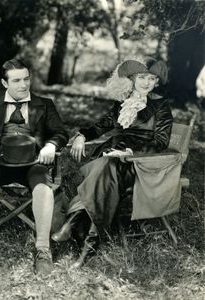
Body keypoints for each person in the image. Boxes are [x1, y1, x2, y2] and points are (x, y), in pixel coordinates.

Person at [52, 58, 173, 267]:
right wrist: (81, 135)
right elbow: (100, 126)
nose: (146, 83)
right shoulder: (122, 103)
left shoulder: (161, 106)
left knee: (105, 169)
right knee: (105, 168)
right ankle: (87, 245)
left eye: (151, 78)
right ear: (132, 79)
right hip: (109, 159)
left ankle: (75, 227)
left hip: (139, 164)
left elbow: (160, 142)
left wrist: (129, 151)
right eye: (142, 77)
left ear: (157, 81)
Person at [0, 58, 68, 276]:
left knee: (43, 187)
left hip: (33, 163)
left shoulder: (44, 104)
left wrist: (51, 146)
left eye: (26, 79)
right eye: (16, 80)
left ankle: (43, 249)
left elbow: (60, 132)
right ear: (4, 83)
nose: (23, 85)